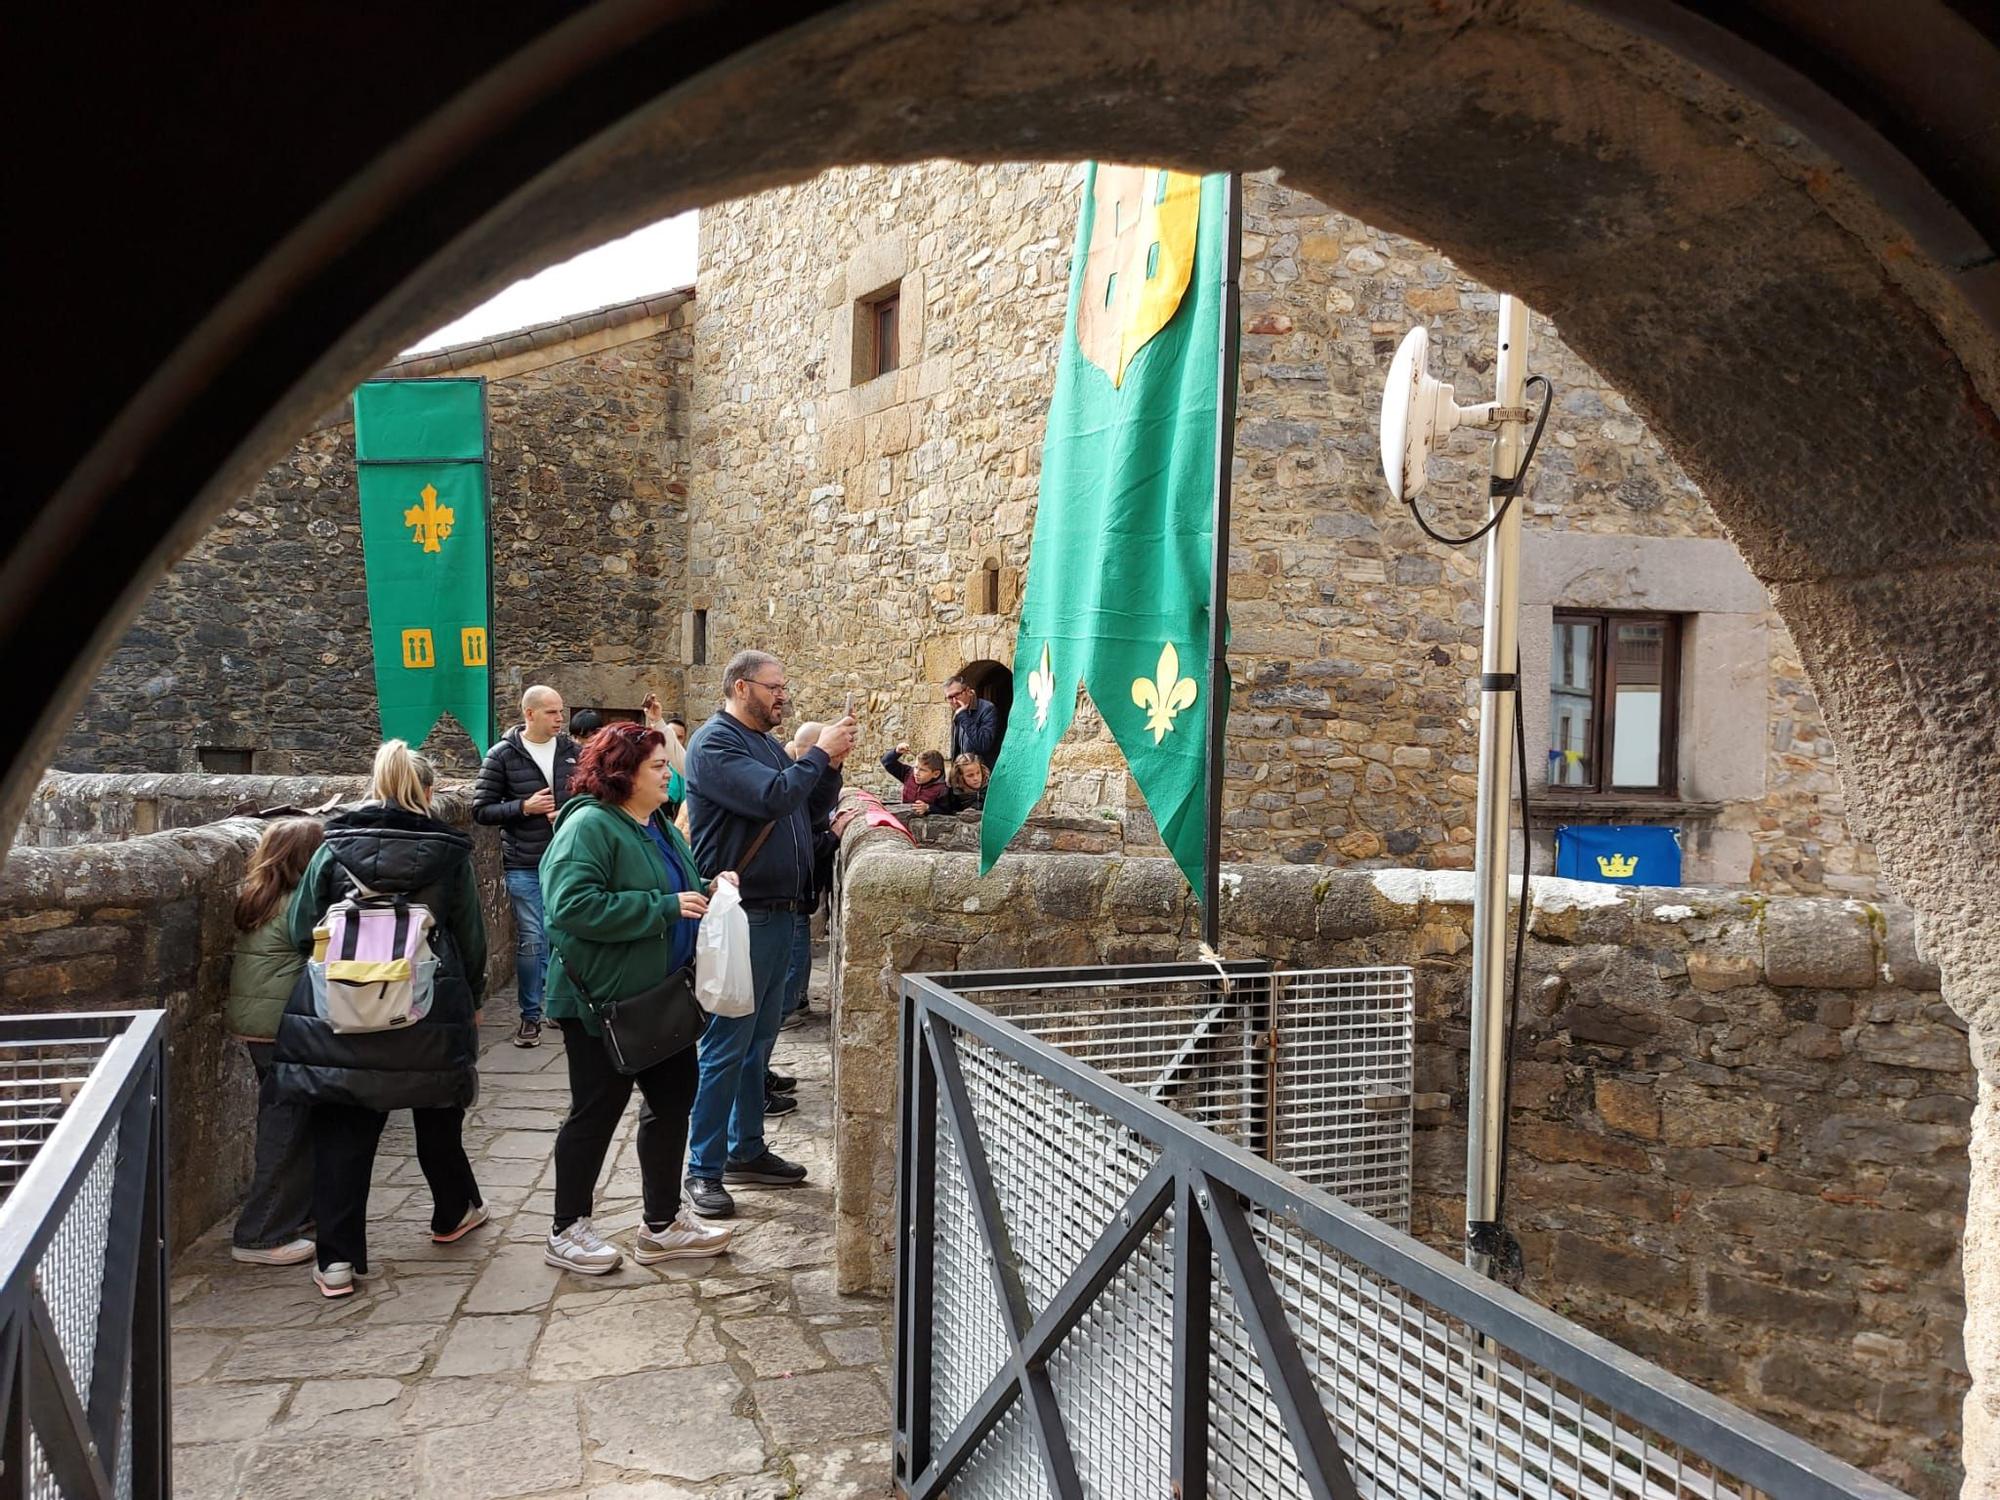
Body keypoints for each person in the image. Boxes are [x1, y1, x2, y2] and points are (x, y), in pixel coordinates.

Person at [273, 741, 487, 1298]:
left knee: (344, 1130)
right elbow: (471, 937)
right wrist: (475, 995)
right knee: (437, 1111)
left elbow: (301, 927)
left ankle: (339, 1261)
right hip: (427, 1002)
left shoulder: (333, 848)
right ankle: (450, 1214)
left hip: (343, 1005)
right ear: (430, 792)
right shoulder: (448, 853)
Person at [539, 722, 736, 1273]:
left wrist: (709, 891)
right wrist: (664, 908)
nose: (669, 775)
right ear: (622, 772)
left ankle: (661, 1224)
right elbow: (570, 907)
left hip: (661, 997)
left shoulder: (655, 826)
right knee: (596, 1112)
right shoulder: (590, 827)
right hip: (603, 1003)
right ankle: (567, 1229)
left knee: (673, 1104)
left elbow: (675, 886)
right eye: (657, 768)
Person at [681, 650, 854, 1218]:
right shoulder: (715, 743)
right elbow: (772, 797)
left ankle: (745, 1148)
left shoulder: (758, 743)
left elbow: (801, 808)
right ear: (738, 687)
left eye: (785, 686)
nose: (783, 695)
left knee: (756, 1045)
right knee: (727, 1045)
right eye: (773, 686)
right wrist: (818, 752)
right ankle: (702, 1168)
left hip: (776, 913)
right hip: (742, 914)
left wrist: (826, 770)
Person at [225, 817, 325, 1267]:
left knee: (294, 1122)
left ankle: (297, 1215)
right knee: (284, 1129)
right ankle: (260, 1234)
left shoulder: (257, 897)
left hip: (257, 1024)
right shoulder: (297, 906)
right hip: (283, 1025)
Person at [473, 684, 580, 1048]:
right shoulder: (501, 755)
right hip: (524, 861)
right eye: (551, 712)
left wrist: (568, 813)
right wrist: (523, 808)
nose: (559, 718)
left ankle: (557, 1005)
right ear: (529, 714)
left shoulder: (572, 752)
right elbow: (480, 810)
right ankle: (529, 1016)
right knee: (533, 938)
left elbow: (591, 796)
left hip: (566, 861)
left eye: (560, 711)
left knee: (560, 935)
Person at [946, 674, 1001, 768]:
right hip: (964, 773)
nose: (954, 701)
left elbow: (983, 744)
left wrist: (964, 716)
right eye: (950, 698)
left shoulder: (987, 709)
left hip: (982, 773)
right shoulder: (959, 711)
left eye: (957, 695)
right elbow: (958, 748)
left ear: (967, 691)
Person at [881, 744, 948, 811]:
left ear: (936, 774)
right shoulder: (908, 774)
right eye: (916, 767)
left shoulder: (942, 789)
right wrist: (896, 751)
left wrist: (928, 808)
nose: (916, 773)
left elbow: (946, 810)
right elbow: (887, 762)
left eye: (922, 770)